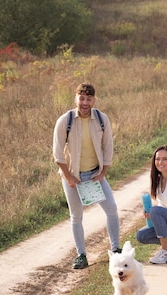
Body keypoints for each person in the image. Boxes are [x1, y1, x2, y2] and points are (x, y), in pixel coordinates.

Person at [53, 83, 121, 269]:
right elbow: (57, 153)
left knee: (112, 208)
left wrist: (103, 173)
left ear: (94, 100)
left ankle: (116, 251)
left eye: (88, 99)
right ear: (76, 99)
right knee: (76, 216)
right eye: (81, 98)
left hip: (94, 175)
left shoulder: (101, 119)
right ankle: (81, 255)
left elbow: (108, 147)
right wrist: (68, 177)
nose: (85, 102)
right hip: (72, 176)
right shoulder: (65, 121)